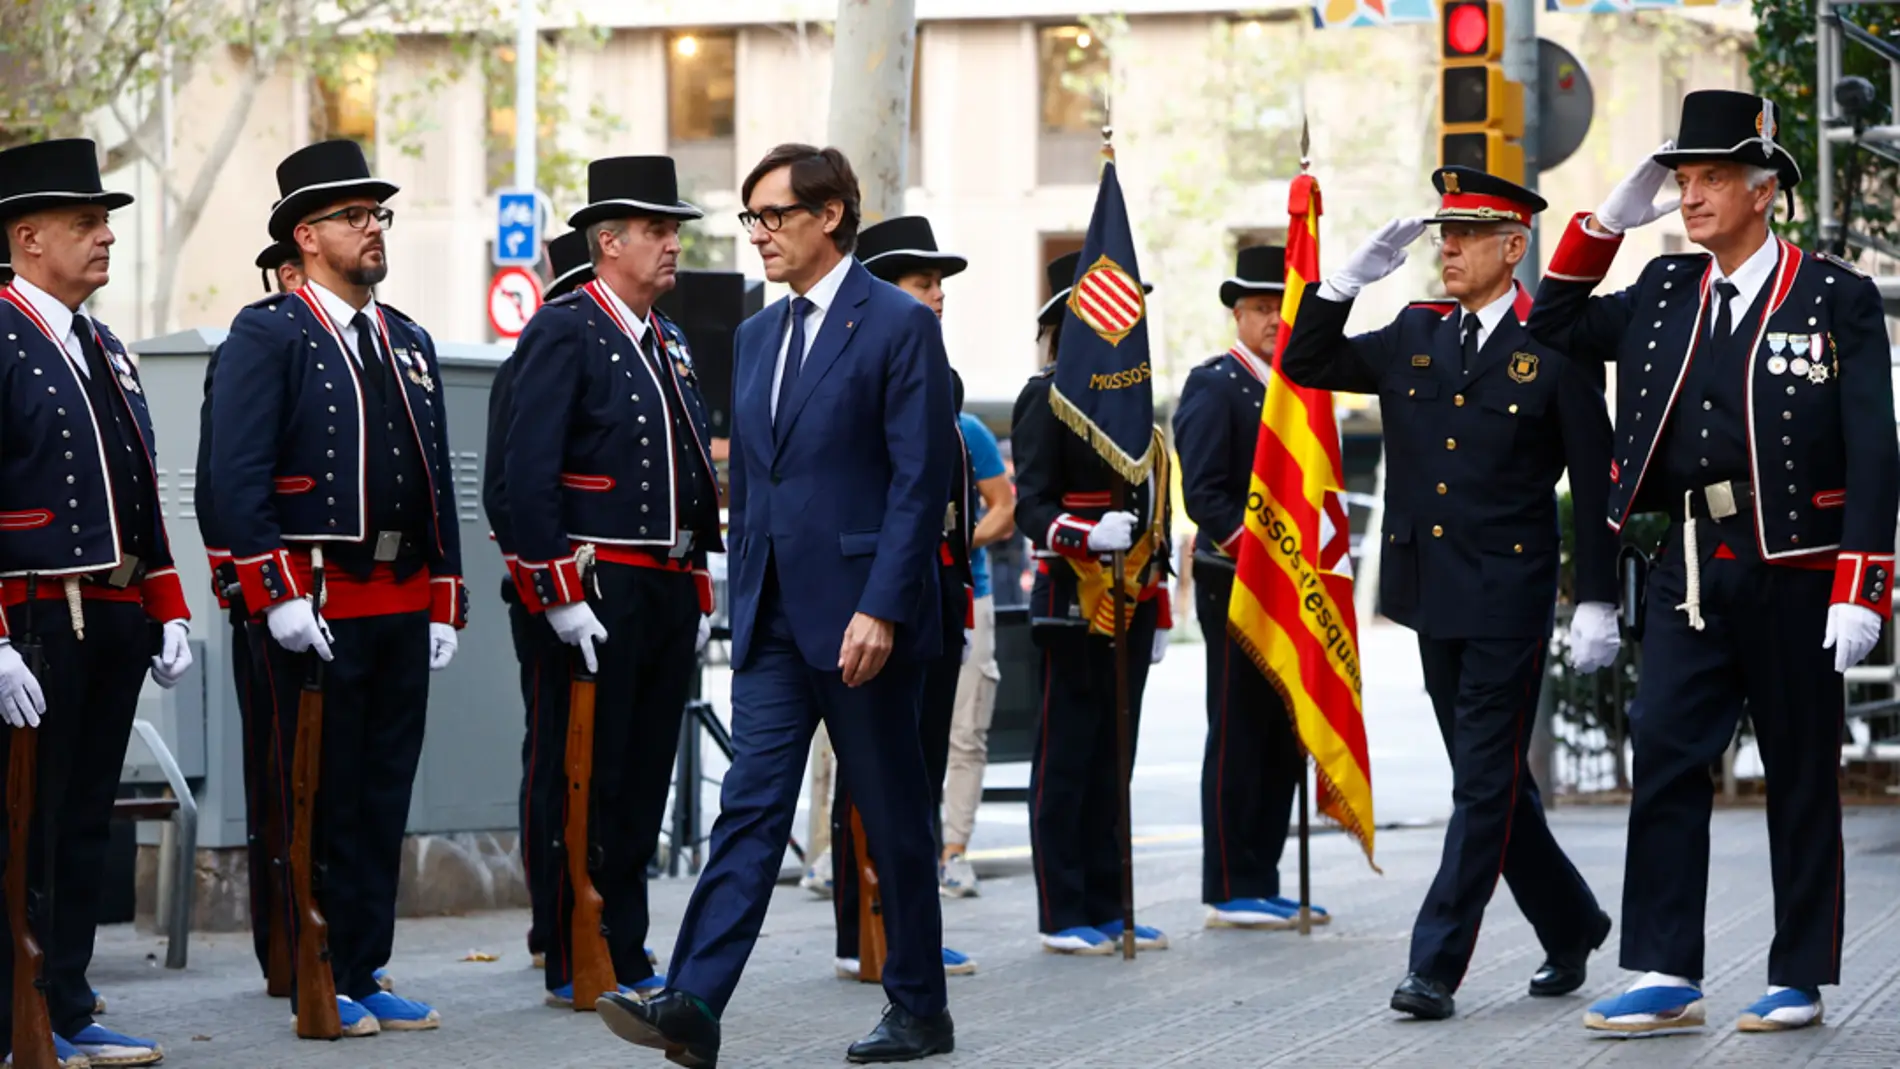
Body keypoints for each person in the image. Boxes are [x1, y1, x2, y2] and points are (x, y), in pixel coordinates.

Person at [1528, 89, 1899, 1035]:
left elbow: (1873, 448)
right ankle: (1663, 966)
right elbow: (1553, 322)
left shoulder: (1832, 295)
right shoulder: (1662, 291)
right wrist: (1608, 220)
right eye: (1680, 180)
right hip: (1688, 561)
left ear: (1764, 189)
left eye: (1709, 179)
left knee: (1801, 771)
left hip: (1799, 567)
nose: (1687, 198)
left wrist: (1864, 582)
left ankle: (1798, 973)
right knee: (1664, 752)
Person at [597, 144, 957, 1066]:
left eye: (774, 216)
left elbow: (920, 483)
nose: (756, 234)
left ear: (830, 216)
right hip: (770, 620)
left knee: (892, 815)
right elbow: (753, 481)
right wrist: (734, 591)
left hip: (862, 620)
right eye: (749, 217)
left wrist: (882, 607)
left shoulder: (896, 325)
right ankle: (694, 1002)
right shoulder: (756, 334)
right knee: (749, 808)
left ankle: (920, 1007)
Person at [1279, 165, 1619, 1021]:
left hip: (1508, 595)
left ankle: (1434, 964)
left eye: (1467, 234)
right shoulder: (1414, 330)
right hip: (1430, 592)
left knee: (1478, 787)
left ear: (1516, 247)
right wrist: (1344, 282)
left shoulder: (1555, 344)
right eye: (1444, 233)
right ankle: (1572, 921)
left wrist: (1596, 598)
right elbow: (1306, 360)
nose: (1449, 248)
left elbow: (1596, 479)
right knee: (1494, 779)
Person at [210, 139, 466, 1037]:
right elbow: (231, 480)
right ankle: (310, 965)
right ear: (306, 236)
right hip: (312, 602)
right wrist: (275, 592)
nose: (373, 229)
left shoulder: (407, 338)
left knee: (381, 791)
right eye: (355, 216)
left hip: (398, 598)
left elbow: (434, 474)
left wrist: (446, 590)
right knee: (309, 793)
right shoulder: (267, 331)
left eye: (378, 214)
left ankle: (364, 960)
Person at [503, 157, 719, 1009]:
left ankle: (625, 943)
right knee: (580, 771)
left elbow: (692, 468)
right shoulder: (567, 327)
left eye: (674, 230)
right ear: (608, 241)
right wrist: (556, 590)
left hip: (662, 584)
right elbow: (526, 472)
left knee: (642, 774)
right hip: (596, 584)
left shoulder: (665, 335)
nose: (673, 245)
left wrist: (697, 575)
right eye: (658, 231)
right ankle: (573, 944)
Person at [0, 137, 196, 1068]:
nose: (106, 235)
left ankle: (68, 1003)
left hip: (112, 613)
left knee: (81, 821)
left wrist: (169, 602)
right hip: (34, 614)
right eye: (85, 223)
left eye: (106, 220)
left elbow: (141, 486)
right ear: (27, 237)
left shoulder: (104, 344)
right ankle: (18, 1009)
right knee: (24, 824)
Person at [825, 214, 977, 977]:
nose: (938, 296)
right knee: (874, 769)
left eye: (940, 284)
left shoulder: (939, 374)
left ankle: (909, 924)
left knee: (918, 769)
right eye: (923, 283)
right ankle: (867, 924)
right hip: (882, 584)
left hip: (935, 584)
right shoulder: (861, 362)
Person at [1012, 250, 1172, 957]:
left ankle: (1110, 901)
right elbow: (1030, 505)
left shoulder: (1139, 414)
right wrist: (1080, 531)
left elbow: (1158, 520)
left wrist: (1160, 605)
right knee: (1068, 758)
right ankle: (1062, 907)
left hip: (1132, 602)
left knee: (1118, 756)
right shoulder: (1044, 398)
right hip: (1072, 603)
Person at [1172, 245, 1326, 931]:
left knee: (1280, 731)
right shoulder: (1215, 384)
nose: (1272, 319)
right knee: (1237, 727)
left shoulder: (1298, 390)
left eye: (1281, 307)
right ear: (1237, 313)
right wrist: (1264, 558)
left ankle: (1265, 874)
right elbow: (1205, 494)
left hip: (1290, 585)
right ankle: (1232, 883)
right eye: (1261, 308)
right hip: (1235, 582)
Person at [482, 227, 593, 975]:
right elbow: (509, 490)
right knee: (555, 756)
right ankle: (553, 922)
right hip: (553, 592)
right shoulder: (544, 349)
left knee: (603, 765)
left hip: (608, 589)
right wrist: (554, 588)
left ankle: (589, 910)